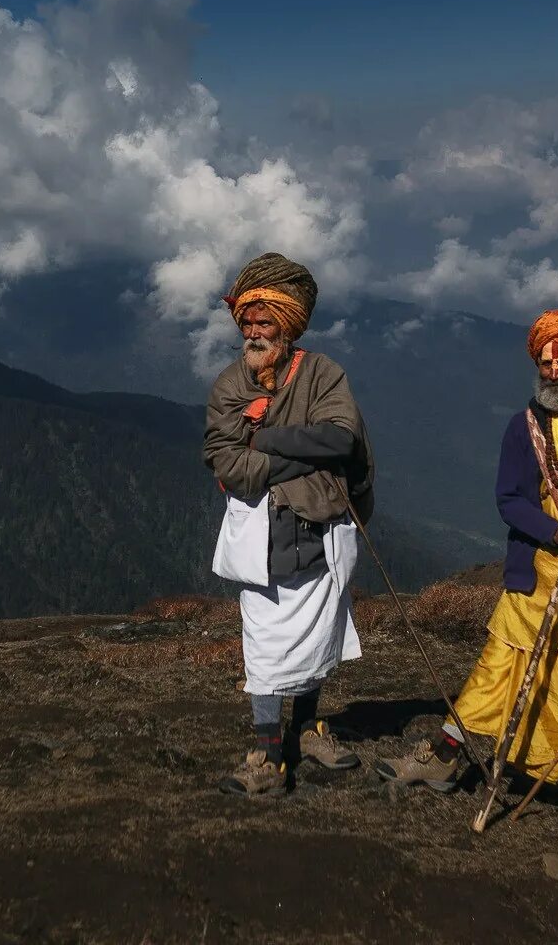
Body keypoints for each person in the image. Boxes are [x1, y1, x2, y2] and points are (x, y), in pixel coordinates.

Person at [376, 310, 558, 817]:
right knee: (501, 664)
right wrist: (555, 529)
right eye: (547, 362)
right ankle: (448, 753)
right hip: (538, 569)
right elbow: (510, 501)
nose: (555, 372)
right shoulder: (524, 427)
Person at [203, 252, 373, 796]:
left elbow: (342, 438)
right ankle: (267, 752)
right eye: (248, 323)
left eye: (265, 323)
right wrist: (304, 453)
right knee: (268, 644)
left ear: (288, 325)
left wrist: (267, 439)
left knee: (319, 634)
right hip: (265, 537)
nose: (254, 333)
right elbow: (232, 467)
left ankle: (306, 728)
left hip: (322, 528)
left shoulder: (322, 374)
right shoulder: (231, 385)